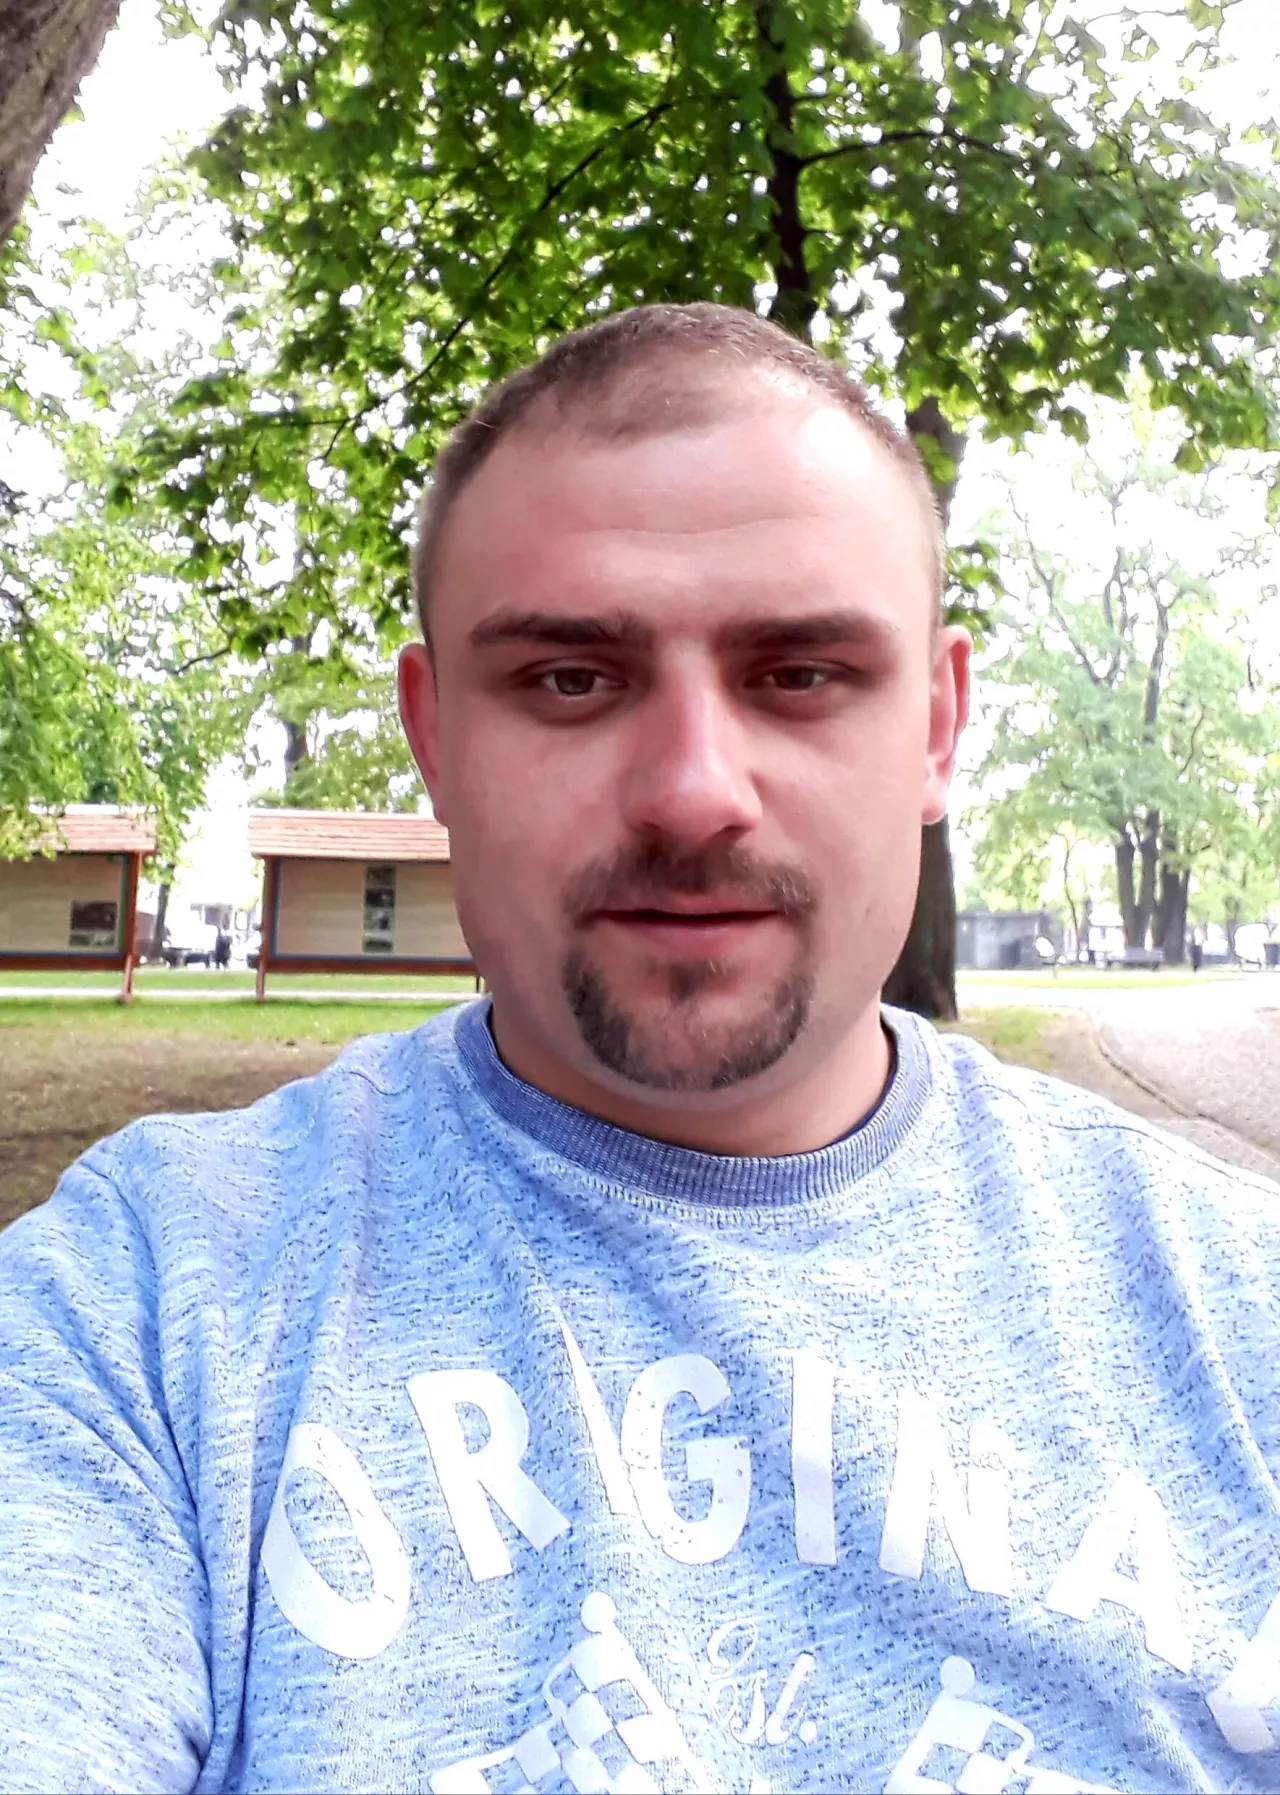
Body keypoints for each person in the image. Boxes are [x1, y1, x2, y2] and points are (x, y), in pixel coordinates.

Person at [1, 305, 1277, 1795]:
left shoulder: (1238, 1314)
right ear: (435, 736)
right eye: (569, 678)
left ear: (937, 726)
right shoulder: (138, 1311)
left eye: (800, 674)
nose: (691, 791)